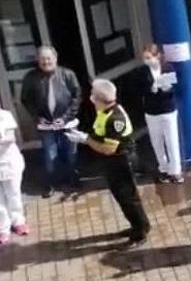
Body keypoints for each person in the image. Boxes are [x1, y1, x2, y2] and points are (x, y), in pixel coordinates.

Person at [64, 79, 151, 245]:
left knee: (128, 198)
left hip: (121, 161)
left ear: (98, 99)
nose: (90, 98)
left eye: (93, 96)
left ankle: (140, 232)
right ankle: (138, 225)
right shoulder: (104, 111)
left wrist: (86, 140)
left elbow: (108, 149)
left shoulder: (115, 119)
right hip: (113, 162)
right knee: (121, 196)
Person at [20, 45, 82, 198]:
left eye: (48, 58)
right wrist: (37, 117)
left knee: (70, 154)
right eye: (42, 59)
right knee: (50, 155)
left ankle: (73, 181)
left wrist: (65, 117)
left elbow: (77, 97)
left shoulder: (68, 74)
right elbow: (25, 99)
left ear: (55, 58)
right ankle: (52, 183)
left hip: (67, 123)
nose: (46, 62)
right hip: (46, 124)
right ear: (37, 60)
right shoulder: (31, 77)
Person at [140, 44, 183, 184]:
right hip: (152, 111)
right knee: (157, 142)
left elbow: (176, 87)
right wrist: (149, 89)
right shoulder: (143, 71)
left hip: (168, 110)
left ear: (157, 56)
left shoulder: (167, 68)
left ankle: (175, 171)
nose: (146, 61)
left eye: (148, 57)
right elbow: (137, 89)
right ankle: (163, 168)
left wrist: (167, 88)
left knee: (172, 141)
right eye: (144, 58)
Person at [0, 108, 27, 244]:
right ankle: (3, 228)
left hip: (9, 163)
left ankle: (18, 221)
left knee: (13, 194)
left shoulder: (5, 116)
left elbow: (10, 138)